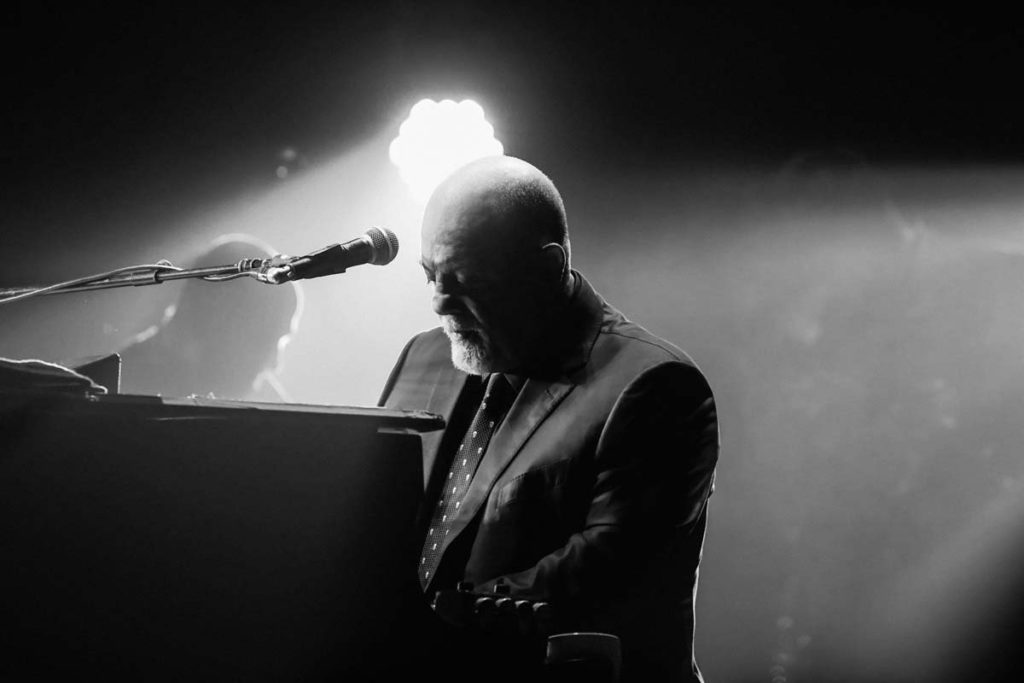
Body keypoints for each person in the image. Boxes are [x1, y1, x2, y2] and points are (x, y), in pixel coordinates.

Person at [378, 156, 719, 682]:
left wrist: (414, 629)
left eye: (466, 278)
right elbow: (376, 519)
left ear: (546, 267)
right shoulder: (423, 357)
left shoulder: (655, 386)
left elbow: (601, 576)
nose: (440, 301)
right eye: (430, 274)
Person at [118, 234, 303, 401]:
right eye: (265, 339)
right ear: (214, 314)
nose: (275, 364)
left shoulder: (268, 402)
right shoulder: (118, 387)